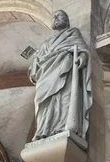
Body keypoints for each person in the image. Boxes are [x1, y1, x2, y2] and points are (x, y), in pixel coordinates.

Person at [28, 10, 92, 141]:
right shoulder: (46, 43)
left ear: (67, 21)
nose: (56, 18)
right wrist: (34, 65)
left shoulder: (72, 33)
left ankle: (61, 127)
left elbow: (82, 48)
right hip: (46, 75)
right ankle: (44, 129)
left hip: (64, 69)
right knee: (42, 101)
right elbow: (38, 62)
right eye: (54, 16)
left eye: (60, 16)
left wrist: (82, 56)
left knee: (63, 99)